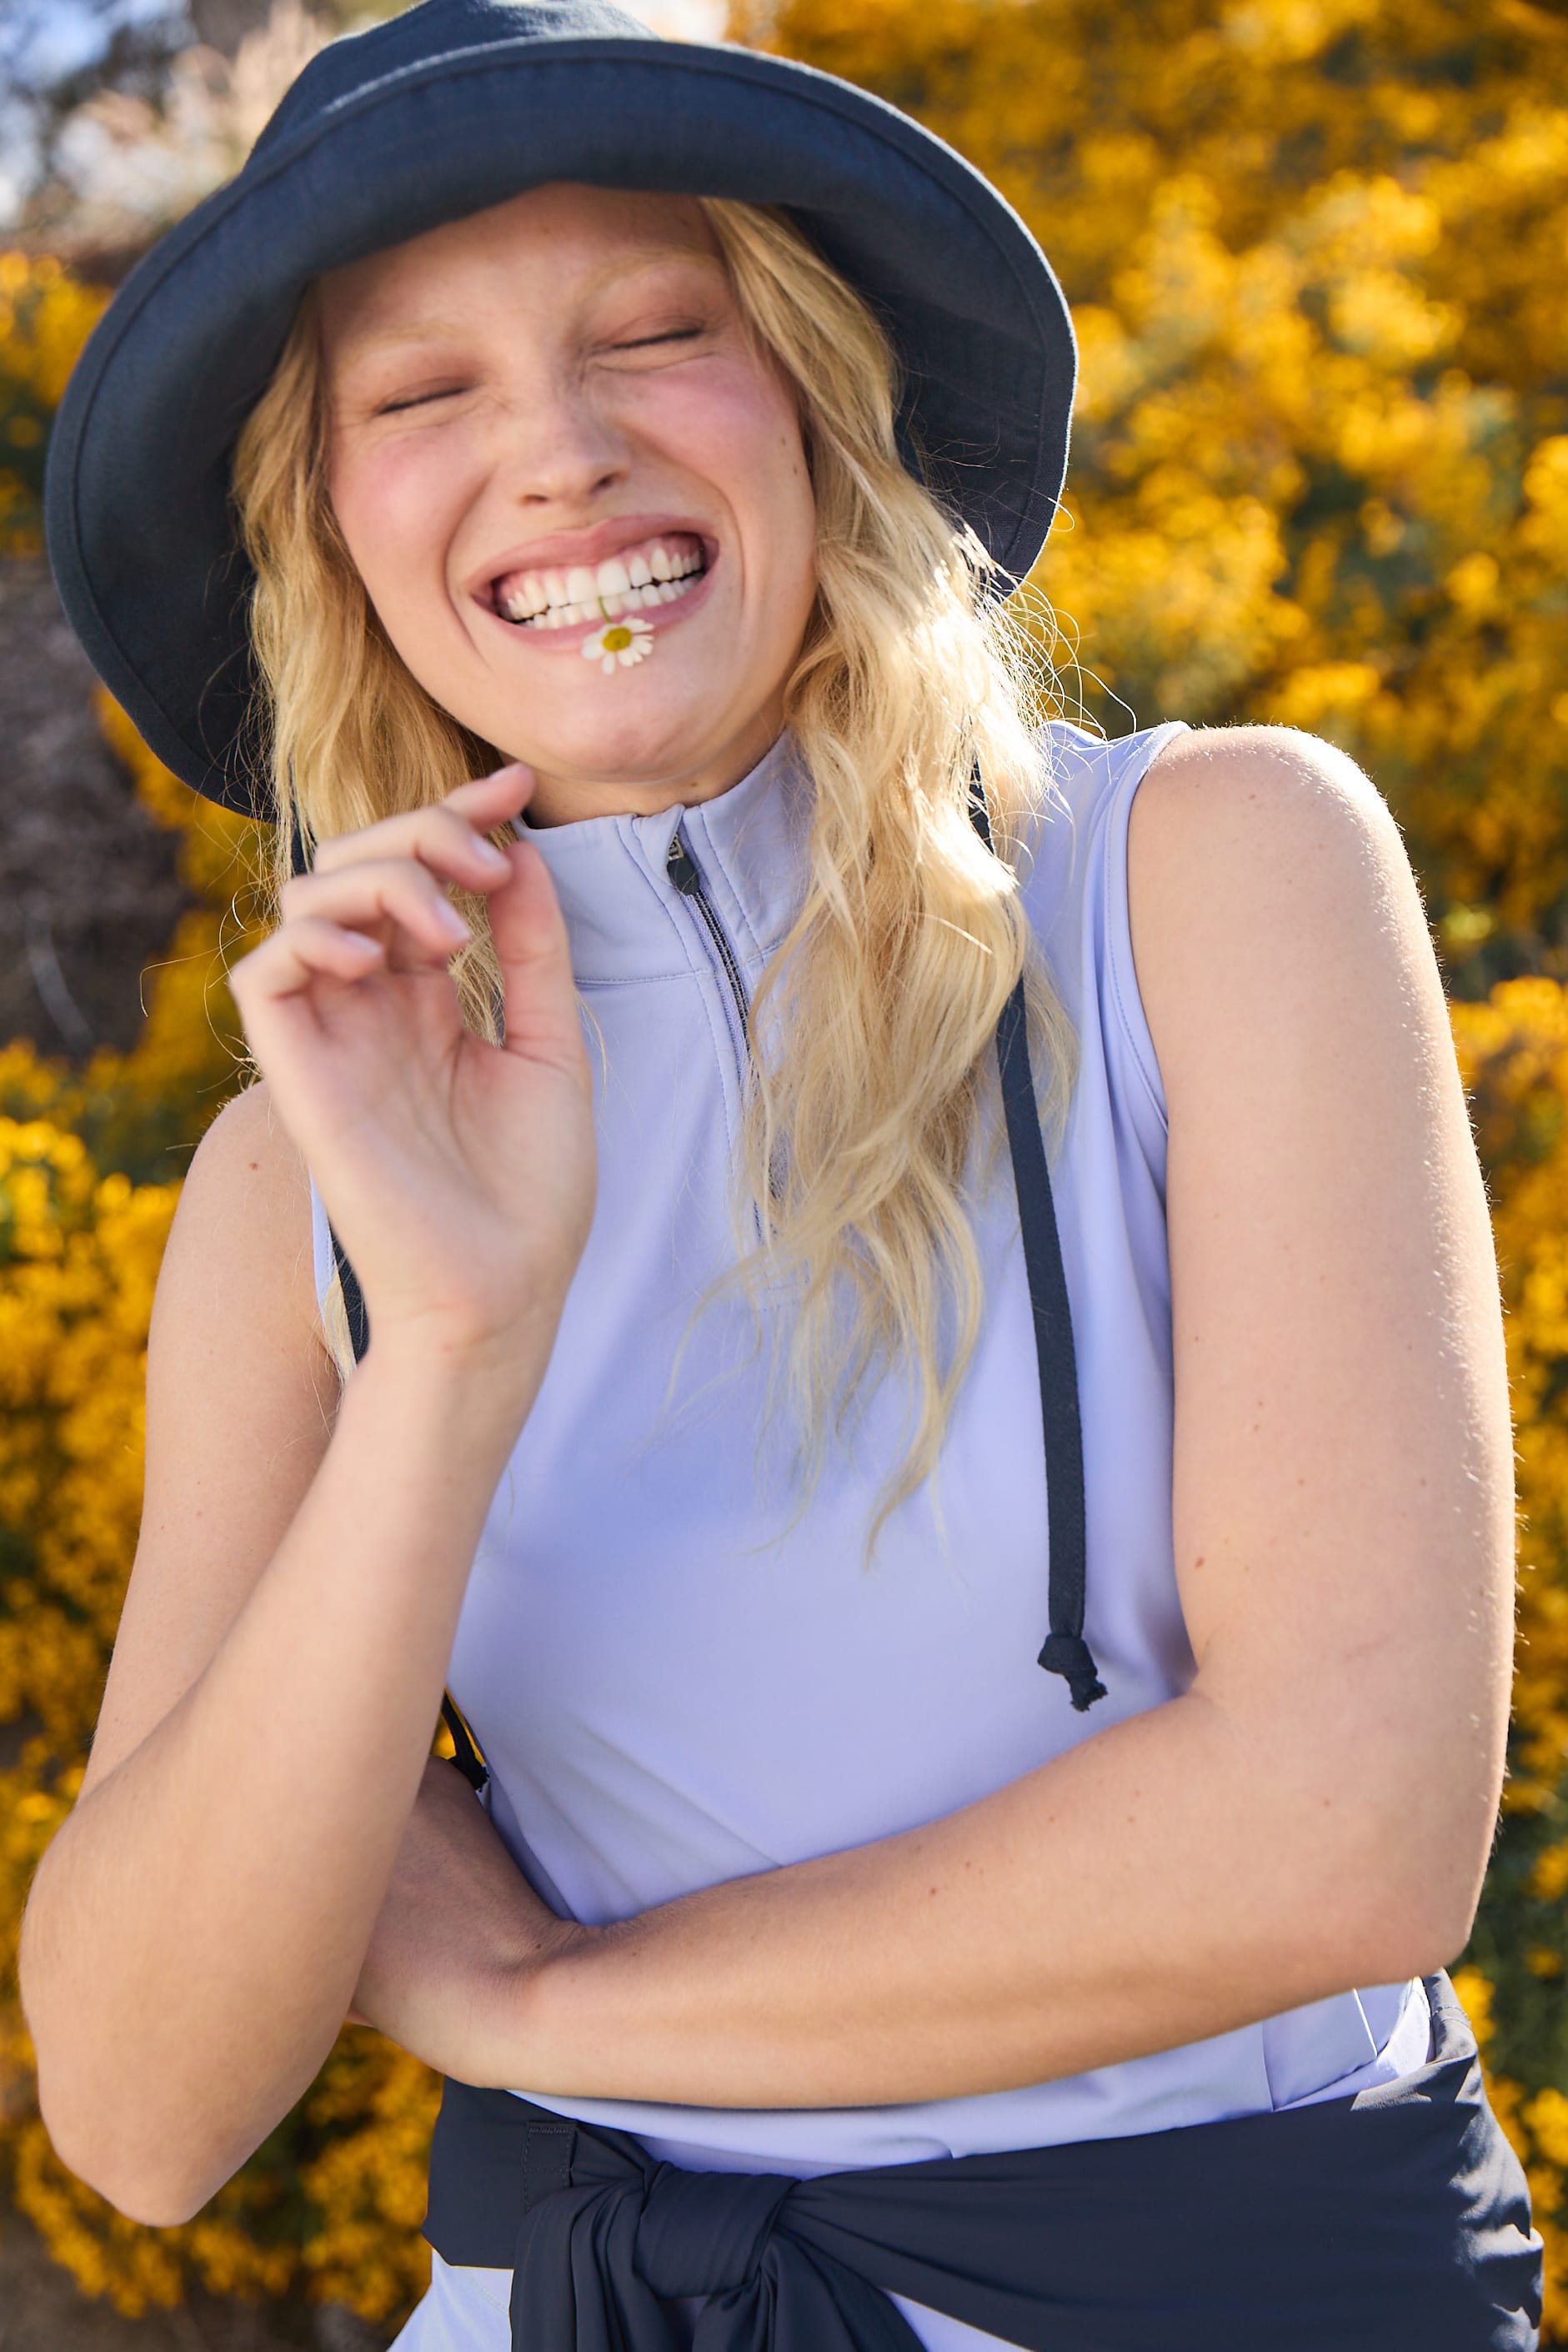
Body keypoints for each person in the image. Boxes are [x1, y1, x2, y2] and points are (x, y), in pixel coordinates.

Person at [20, 2, 1544, 2345]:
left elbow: (1340, 1835)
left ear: (822, 403)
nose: (556, 450)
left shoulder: (1206, 876)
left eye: (659, 332)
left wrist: (527, 2004)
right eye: (417, 396)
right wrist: (442, 1352)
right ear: (324, 525)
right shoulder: (289, 1178)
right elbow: (140, 2100)